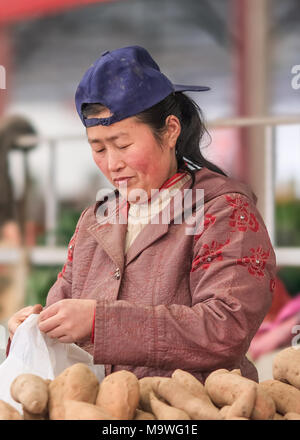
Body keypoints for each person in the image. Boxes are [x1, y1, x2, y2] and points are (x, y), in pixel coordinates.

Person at [7, 45, 276, 383]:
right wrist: (34, 328)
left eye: (123, 145)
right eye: (98, 148)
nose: (112, 163)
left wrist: (98, 322)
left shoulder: (223, 210)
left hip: (195, 409)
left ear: (171, 130)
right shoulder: (97, 219)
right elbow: (62, 313)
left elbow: (226, 328)